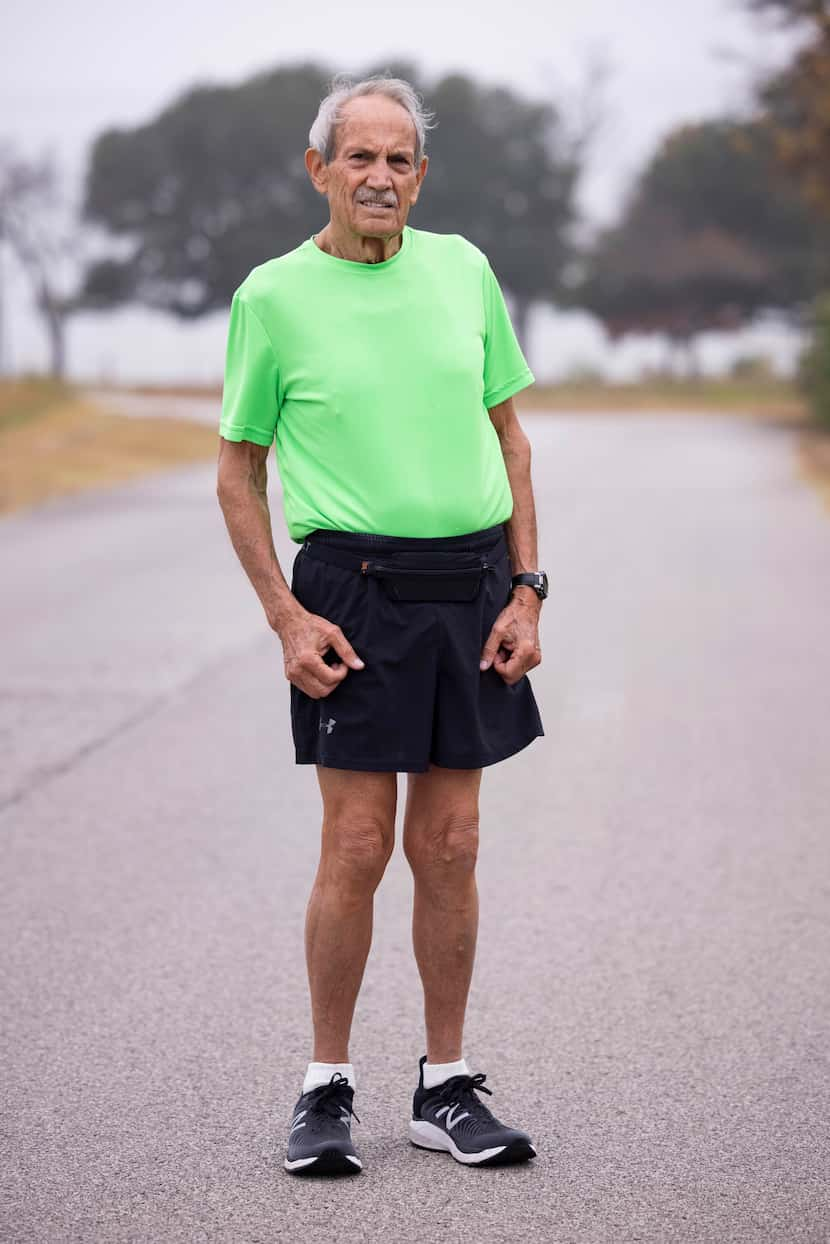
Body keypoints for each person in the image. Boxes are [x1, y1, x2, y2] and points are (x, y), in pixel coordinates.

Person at [216, 72, 548, 1176]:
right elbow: (237, 469)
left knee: (449, 843)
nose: (379, 176)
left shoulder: (463, 272)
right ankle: (324, 1089)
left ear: (420, 174)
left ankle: (444, 1085)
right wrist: (282, 612)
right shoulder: (271, 295)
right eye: (357, 156)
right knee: (355, 844)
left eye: (398, 158)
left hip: (473, 585)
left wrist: (526, 588)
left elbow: (512, 442)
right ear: (319, 170)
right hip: (349, 591)